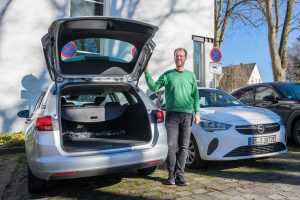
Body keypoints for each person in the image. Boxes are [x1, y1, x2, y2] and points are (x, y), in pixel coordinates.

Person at [144, 47, 200, 186]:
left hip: (187, 115)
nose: (179, 58)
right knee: (171, 146)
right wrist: (146, 73)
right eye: (177, 56)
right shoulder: (168, 75)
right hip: (172, 116)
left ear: (185, 58)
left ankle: (180, 175)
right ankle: (171, 175)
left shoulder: (191, 76)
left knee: (184, 146)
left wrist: (197, 112)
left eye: (181, 56)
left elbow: (195, 96)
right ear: (174, 57)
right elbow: (153, 87)